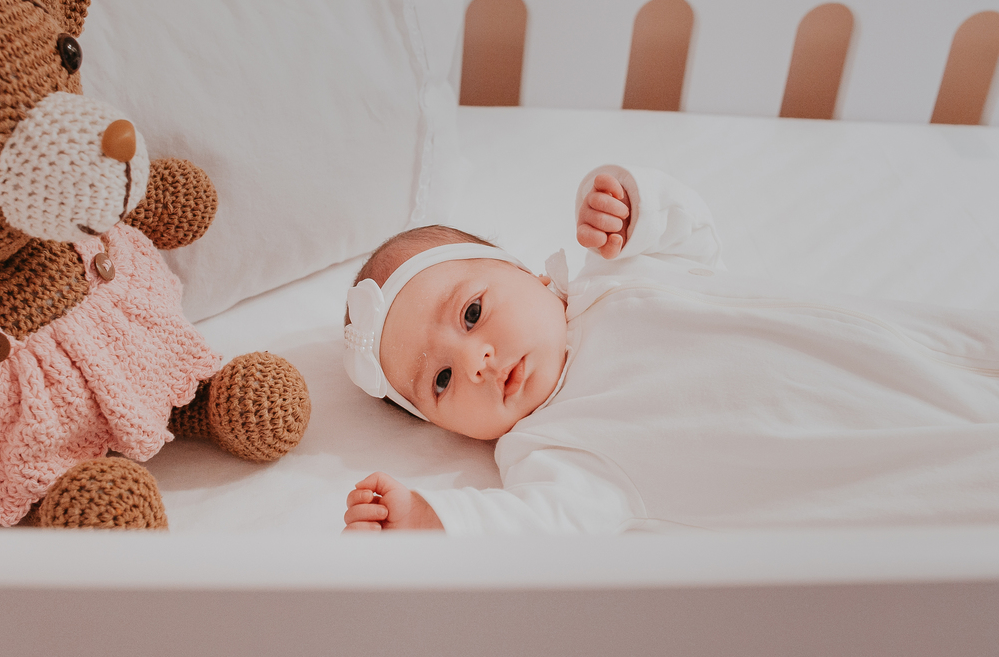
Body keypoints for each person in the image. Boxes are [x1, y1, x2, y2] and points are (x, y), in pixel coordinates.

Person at [342, 164, 999, 534]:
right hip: (854, 465)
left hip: (883, 355)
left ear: (528, 272)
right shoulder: (552, 452)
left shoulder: (617, 273)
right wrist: (428, 518)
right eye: (443, 381)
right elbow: (536, 527)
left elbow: (698, 239)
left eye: (473, 312)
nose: (477, 361)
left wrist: (636, 208)